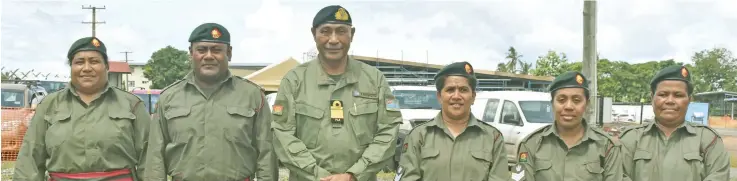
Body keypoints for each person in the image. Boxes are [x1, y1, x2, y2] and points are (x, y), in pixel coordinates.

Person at [271, 5, 402, 181]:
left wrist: (354, 174)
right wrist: (318, 175)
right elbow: (282, 134)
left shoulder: (374, 80)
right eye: (325, 31)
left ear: (352, 34)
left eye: (341, 31)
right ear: (313, 34)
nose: (333, 40)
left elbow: (388, 131)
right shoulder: (294, 81)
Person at [144, 23, 278, 181]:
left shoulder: (252, 96)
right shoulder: (169, 98)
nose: (208, 56)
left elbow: (266, 154)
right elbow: (155, 157)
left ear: (229, 53)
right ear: (191, 53)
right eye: (201, 50)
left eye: (216, 50)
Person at [13, 37, 150, 180]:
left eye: (94, 61)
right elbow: (30, 159)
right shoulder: (49, 105)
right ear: (71, 67)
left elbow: (149, 159)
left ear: (107, 67)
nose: (86, 68)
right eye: (79, 62)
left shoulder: (131, 104)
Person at [394, 62, 508, 181]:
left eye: (463, 90)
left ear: (473, 97)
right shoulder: (418, 136)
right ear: (439, 96)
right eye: (450, 90)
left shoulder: (493, 138)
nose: (456, 96)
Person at [620, 65, 730, 180]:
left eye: (678, 95)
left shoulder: (708, 139)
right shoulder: (631, 138)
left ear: (689, 100)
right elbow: (619, 176)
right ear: (652, 97)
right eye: (663, 95)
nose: (670, 101)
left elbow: (718, 176)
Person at [514, 71, 622, 181]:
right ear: (552, 104)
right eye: (561, 100)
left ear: (587, 104)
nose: (569, 106)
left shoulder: (607, 146)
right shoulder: (530, 145)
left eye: (576, 100)